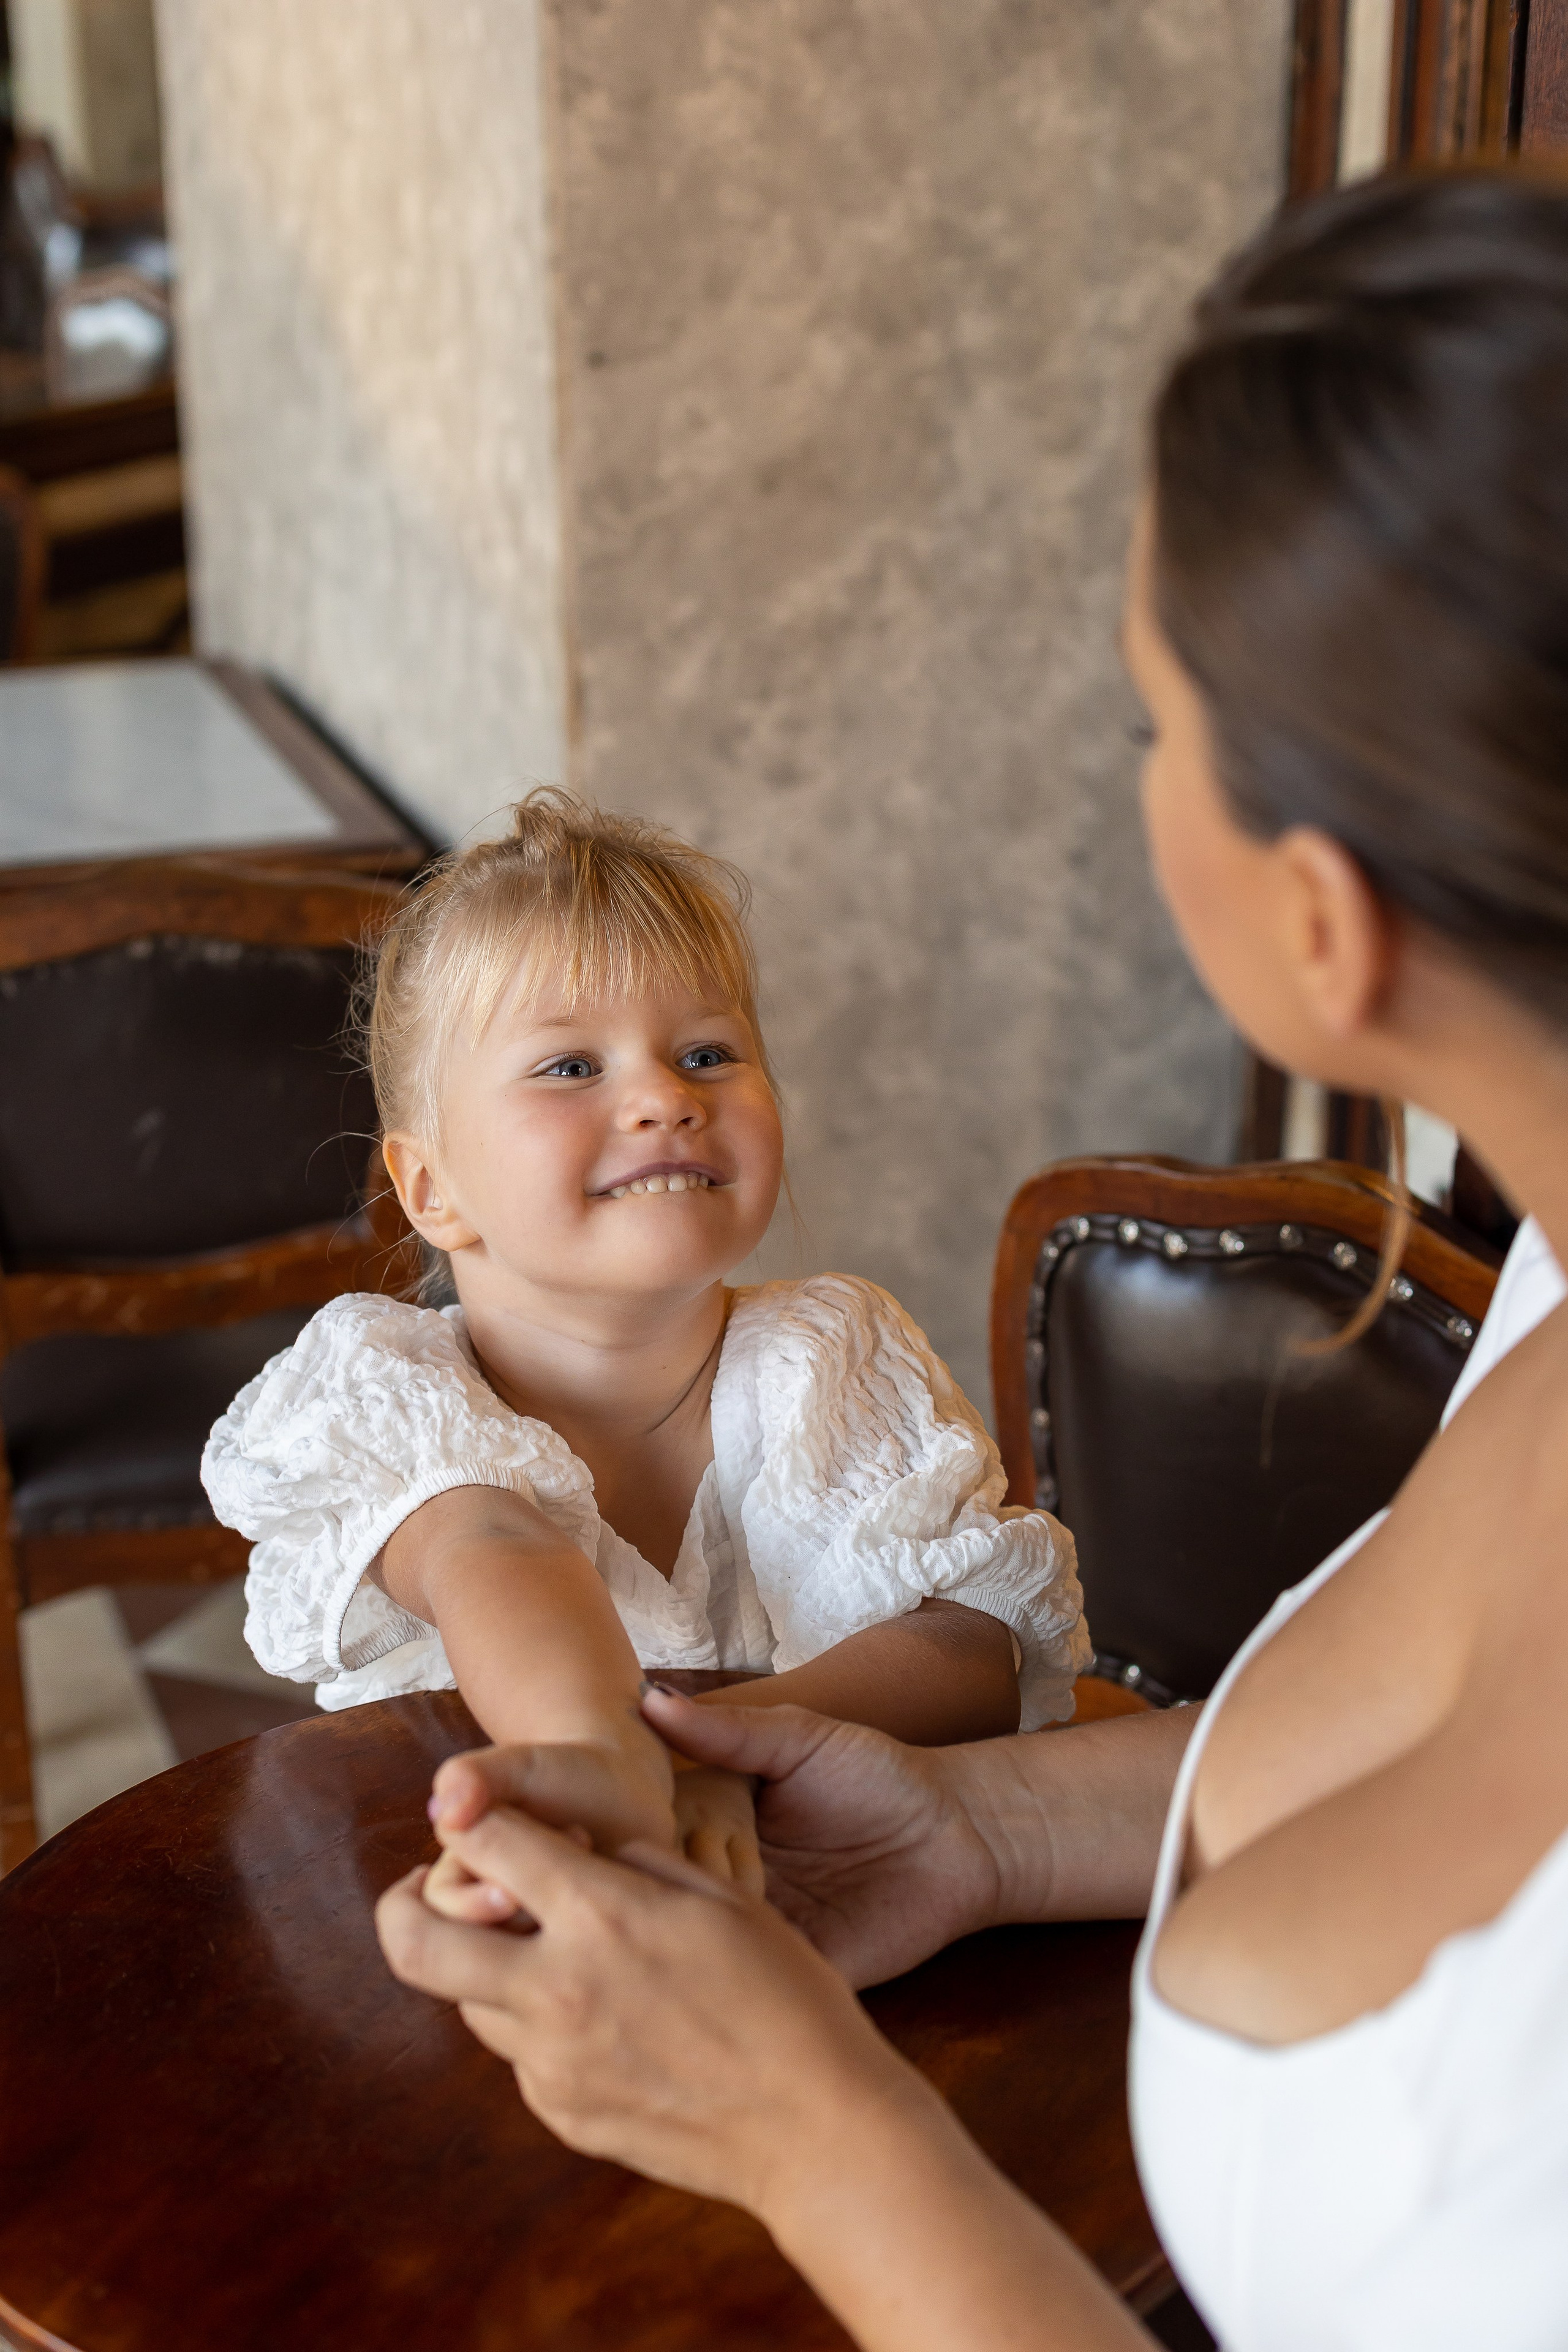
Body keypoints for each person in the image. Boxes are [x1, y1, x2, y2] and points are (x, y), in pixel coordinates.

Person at [375, 164, 1568, 2351]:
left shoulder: (830, 1363)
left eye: (1155, 730)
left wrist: (805, 2127)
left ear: (1326, 920)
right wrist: (974, 1835)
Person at [203, 790, 1088, 1902]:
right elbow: (495, 1556)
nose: (665, 1097)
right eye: (571, 1067)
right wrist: (605, 1763)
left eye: (710, 1052)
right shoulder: (384, 1393)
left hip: (839, 1893)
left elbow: (971, 1652)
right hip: (505, 1887)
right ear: (431, 1189)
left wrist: (691, 1753)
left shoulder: (828, 1354)